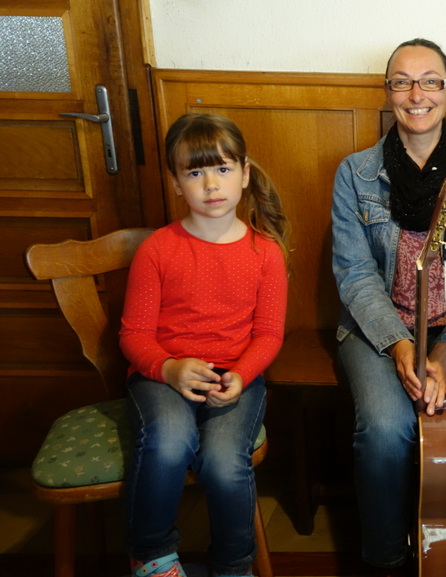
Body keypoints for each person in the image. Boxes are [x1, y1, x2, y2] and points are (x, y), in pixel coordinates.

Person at [331, 38, 446, 572]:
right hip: (380, 327)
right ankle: (387, 561)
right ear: (388, 91)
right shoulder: (355, 174)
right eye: (402, 82)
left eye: (430, 81)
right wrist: (399, 344)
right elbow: (354, 273)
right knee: (384, 432)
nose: (417, 94)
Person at [119, 113, 290, 577]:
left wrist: (242, 375)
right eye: (195, 172)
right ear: (176, 183)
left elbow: (269, 334)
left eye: (222, 169)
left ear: (244, 174)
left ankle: (233, 566)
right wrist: (169, 368)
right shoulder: (157, 249)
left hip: (235, 376)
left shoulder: (265, 253)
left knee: (223, 461)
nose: (211, 184)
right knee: (169, 442)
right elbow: (134, 335)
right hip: (162, 374)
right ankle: (152, 556)